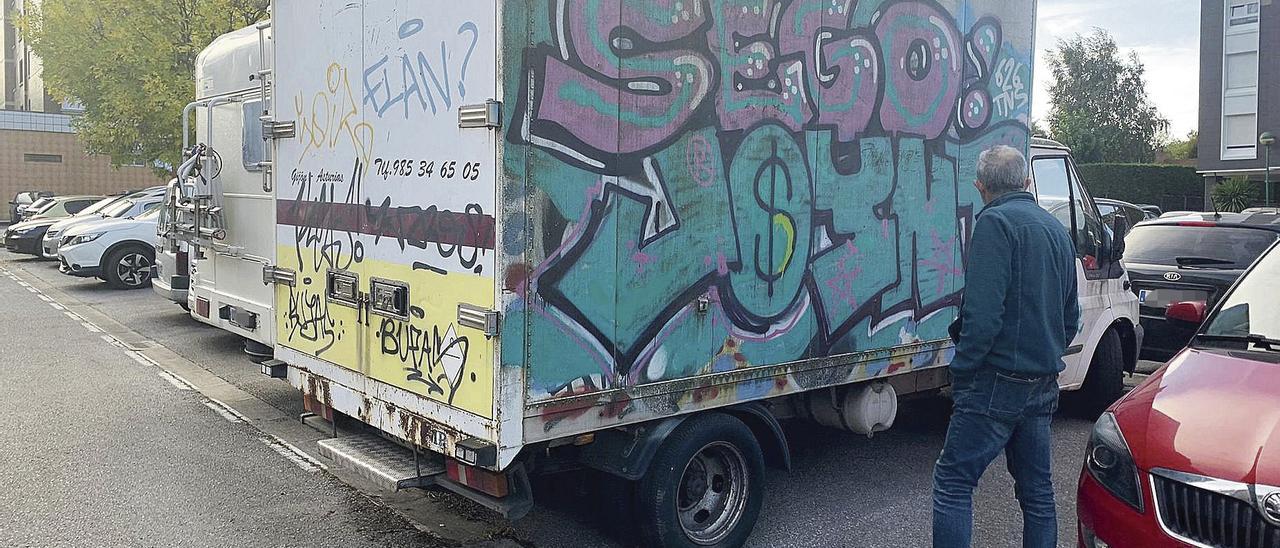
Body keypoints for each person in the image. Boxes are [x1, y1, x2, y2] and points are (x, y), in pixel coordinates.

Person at [932, 145, 1080, 548]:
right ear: (1027, 181)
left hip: (995, 383)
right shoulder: (1056, 231)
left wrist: (962, 371)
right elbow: (1070, 318)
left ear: (980, 187)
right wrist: (1045, 354)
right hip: (1042, 382)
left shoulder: (994, 225)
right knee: (1037, 493)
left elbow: (981, 318)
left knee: (953, 483)